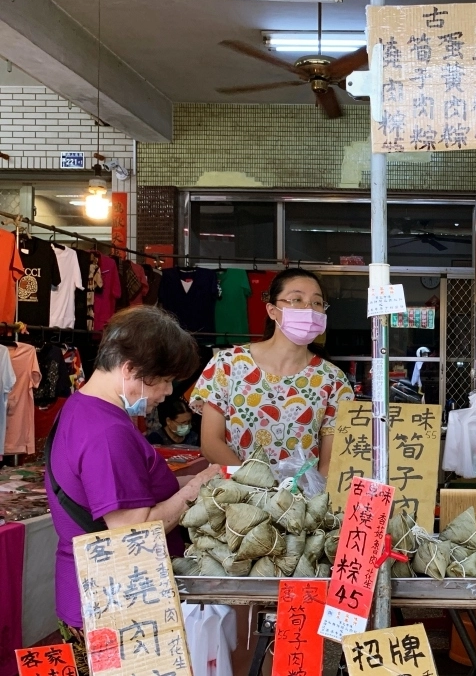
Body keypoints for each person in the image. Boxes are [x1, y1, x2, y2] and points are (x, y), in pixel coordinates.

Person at [45, 306, 221, 672]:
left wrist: (203, 481)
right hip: (114, 604)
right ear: (129, 369)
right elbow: (133, 530)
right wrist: (194, 488)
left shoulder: (82, 407)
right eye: (164, 380)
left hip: (99, 594)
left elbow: (134, 491)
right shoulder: (107, 433)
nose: (168, 392)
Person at [191, 268, 354, 489]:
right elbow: (211, 442)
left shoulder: (333, 380)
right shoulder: (227, 364)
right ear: (272, 310)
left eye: (317, 303)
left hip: (299, 502)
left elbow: (330, 461)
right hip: (236, 498)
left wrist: (306, 498)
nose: (308, 308)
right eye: (297, 299)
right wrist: (256, 488)